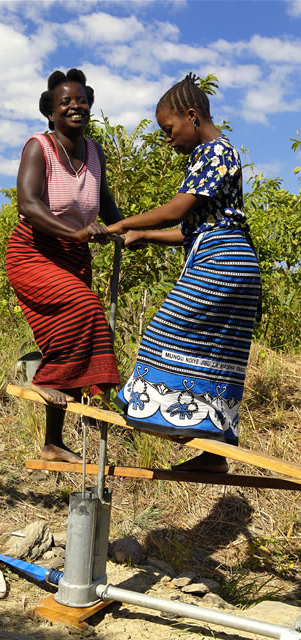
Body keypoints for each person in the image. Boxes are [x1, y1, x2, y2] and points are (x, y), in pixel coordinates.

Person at [108, 74, 261, 473]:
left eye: (169, 129)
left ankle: (171, 418)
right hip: (226, 258)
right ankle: (214, 454)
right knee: (219, 354)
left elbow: (176, 211)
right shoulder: (210, 155)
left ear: (192, 116)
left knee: (165, 331)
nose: (167, 138)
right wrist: (143, 233)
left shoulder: (215, 153)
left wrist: (120, 224)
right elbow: (187, 230)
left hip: (223, 262)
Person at [6, 69, 122, 463]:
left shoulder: (94, 152)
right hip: (34, 253)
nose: (76, 106)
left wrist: (131, 229)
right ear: (51, 112)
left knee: (77, 337)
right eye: (65, 102)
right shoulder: (39, 147)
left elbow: (106, 206)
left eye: (82, 100)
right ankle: (42, 381)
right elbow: (29, 204)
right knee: (85, 308)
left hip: (74, 257)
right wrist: (72, 233)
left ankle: (53, 442)